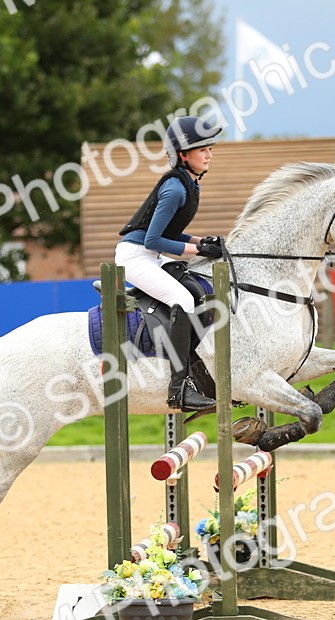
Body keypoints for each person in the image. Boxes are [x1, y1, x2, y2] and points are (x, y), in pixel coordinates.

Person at [116, 115, 226, 411]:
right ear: (183, 155)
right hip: (135, 256)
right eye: (202, 149)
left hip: (150, 254)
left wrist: (201, 242)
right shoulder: (175, 189)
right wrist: (196, 248)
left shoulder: (190, 184)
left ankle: (197, 368)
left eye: (210, 148)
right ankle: (178, 389)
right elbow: (153, 240)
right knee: (182, 298)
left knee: (197, 288)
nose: (209, 154)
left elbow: (171, 233)